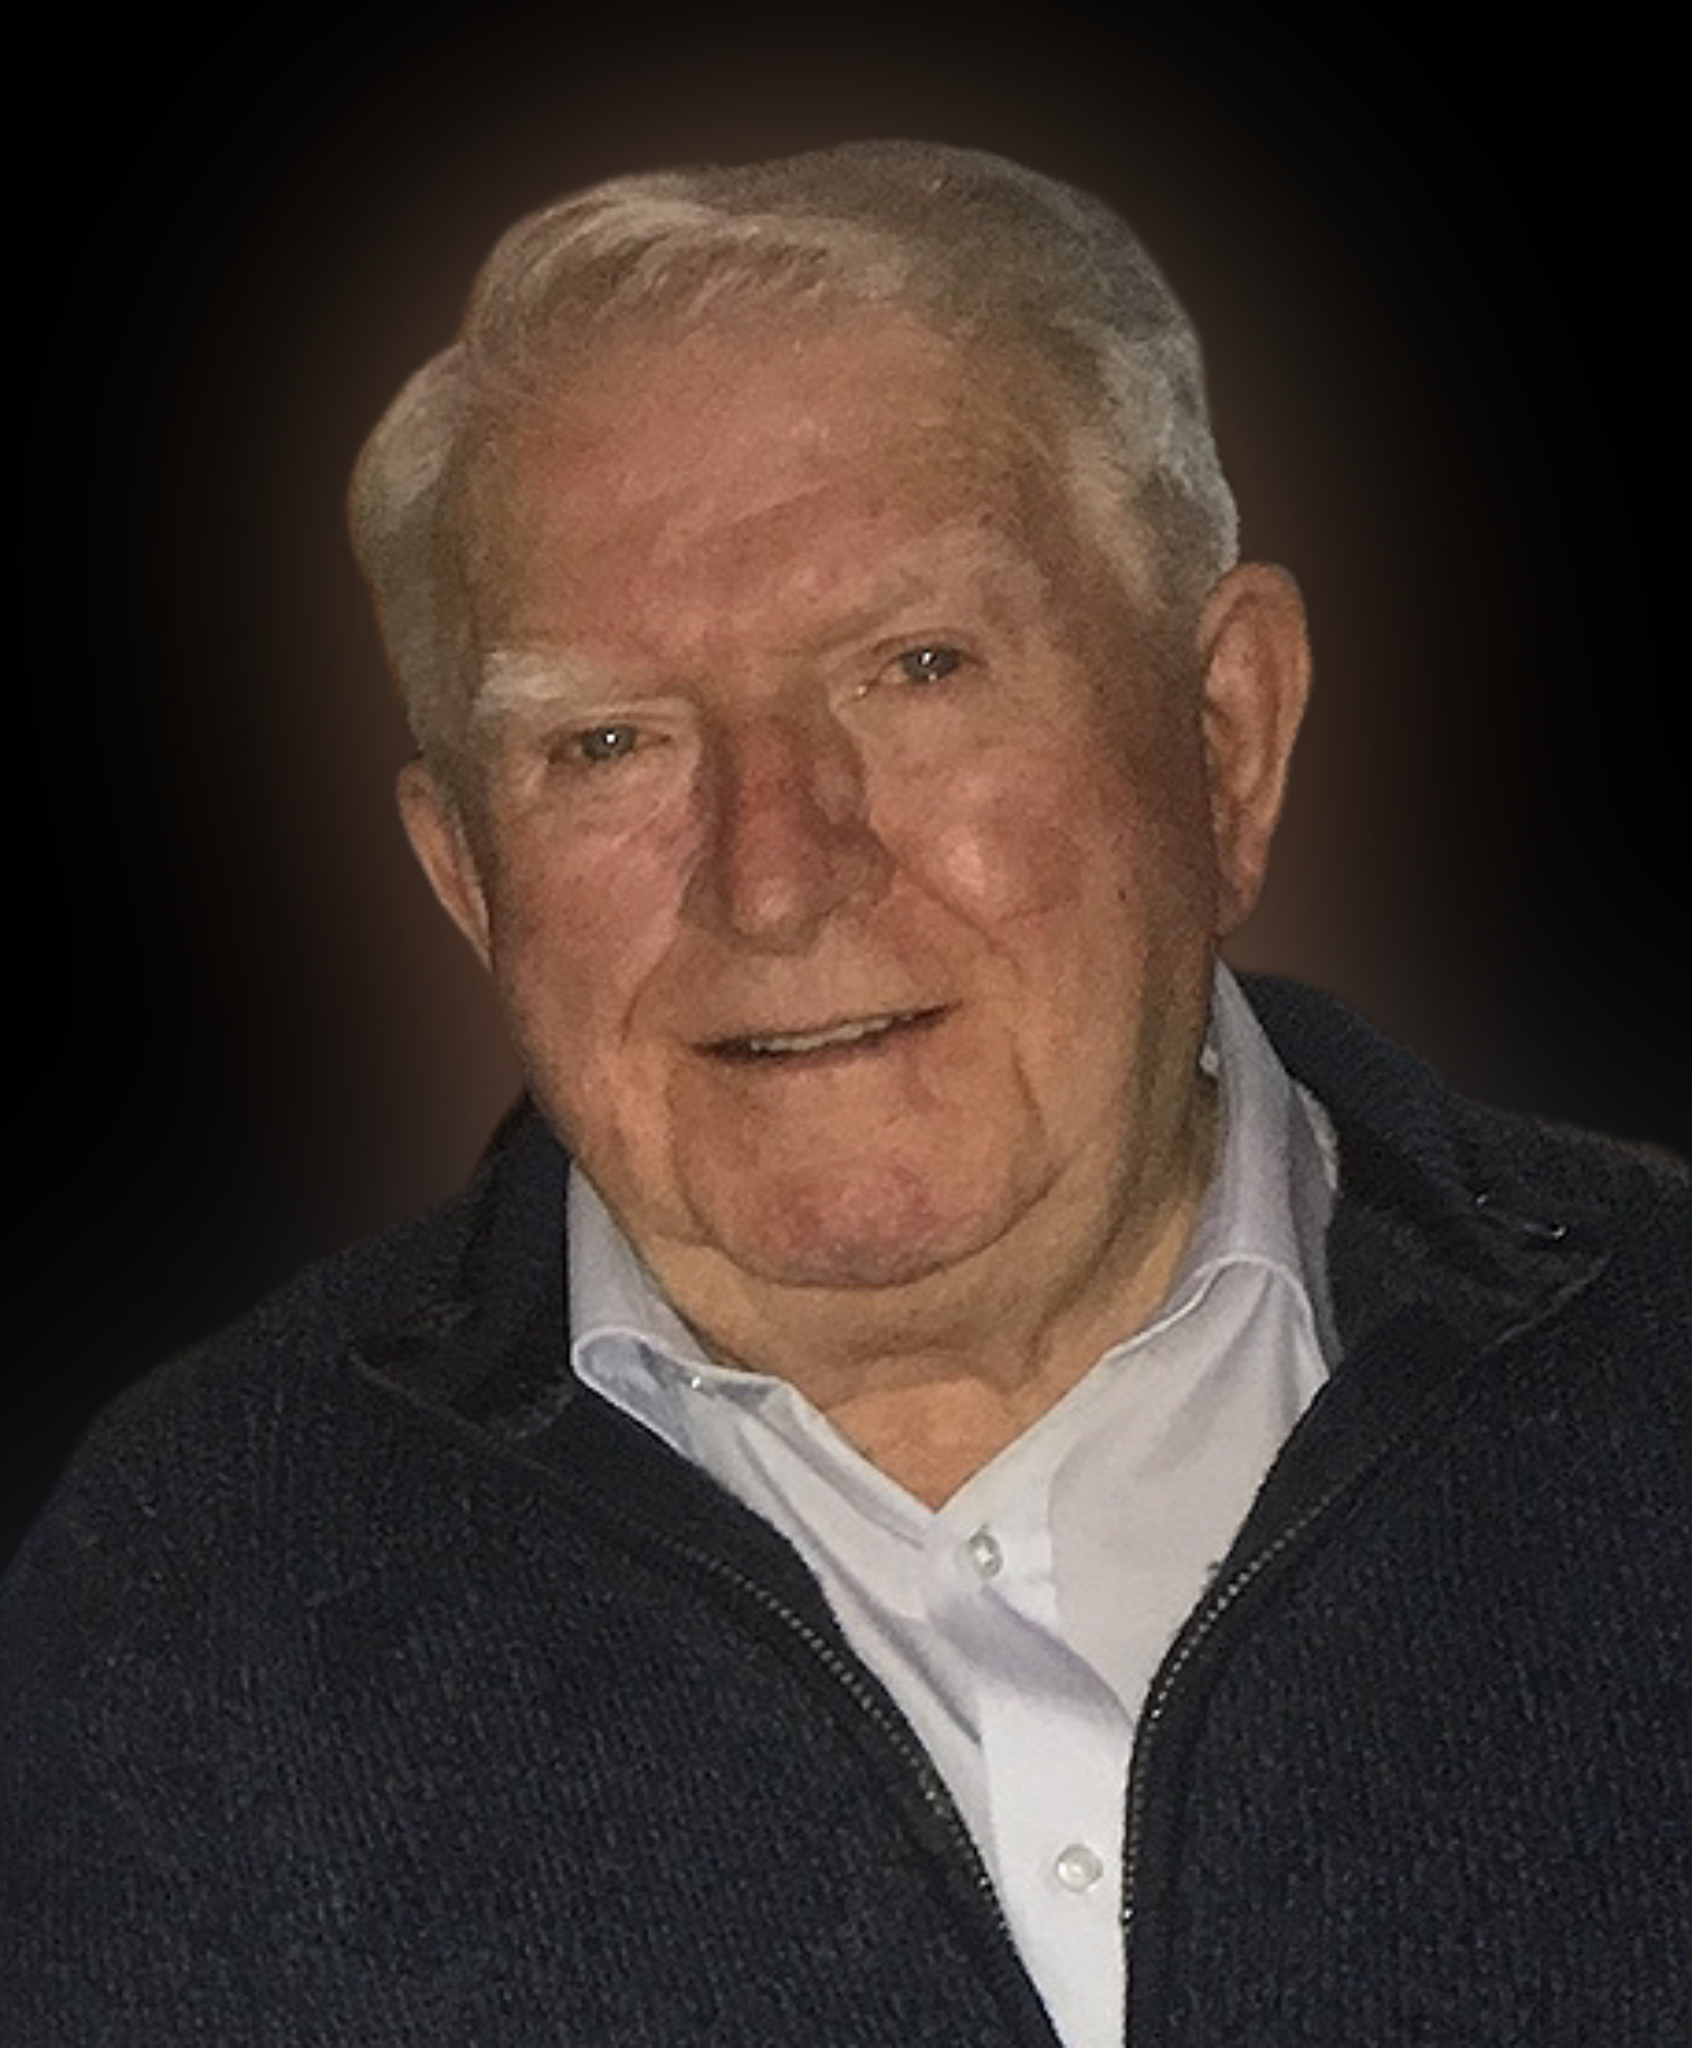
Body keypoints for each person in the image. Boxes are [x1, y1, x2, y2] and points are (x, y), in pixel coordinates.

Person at [3, 141, 1686, 2048]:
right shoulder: (188, 1599)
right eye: (609, 741)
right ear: (467, 878)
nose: (775, 875)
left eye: (918, 667)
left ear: (1226, 735)